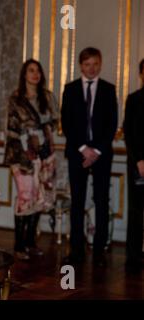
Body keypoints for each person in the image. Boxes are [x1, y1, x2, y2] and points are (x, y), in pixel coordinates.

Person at [61, 47, 118, 267]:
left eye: (95, 64)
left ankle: (99, 250)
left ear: (100, 64)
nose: (91, 68)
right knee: (77, 202)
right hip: (77, 152)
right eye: (87, 64)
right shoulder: (71, 89)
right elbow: (67, 123)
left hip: (102, 154)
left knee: (101, 201)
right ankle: (76, 250)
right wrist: (84, 148)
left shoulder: (108, 89)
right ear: (81, 66)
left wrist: (96, 151)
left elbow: (111, 124)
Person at [4, 59, 58, 260]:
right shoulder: (16, 99)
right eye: (31, 70)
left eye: (38, 71)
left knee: (39, 197)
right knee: (25, 197)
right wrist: (17, 156)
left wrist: (43, 139)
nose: (35, 74)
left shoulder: (48, 97)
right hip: (22, 155)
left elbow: (54, 122)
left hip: (45, 154)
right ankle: (19, 245)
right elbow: (11, 130)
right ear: (24, 74)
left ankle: (30, 242)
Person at [123, 58, 144, 272]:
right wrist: (139, 159)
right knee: (136, 211)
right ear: (141, 74)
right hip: (138, 164)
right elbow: (129, 132)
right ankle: (133, 256)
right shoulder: (134, 99)